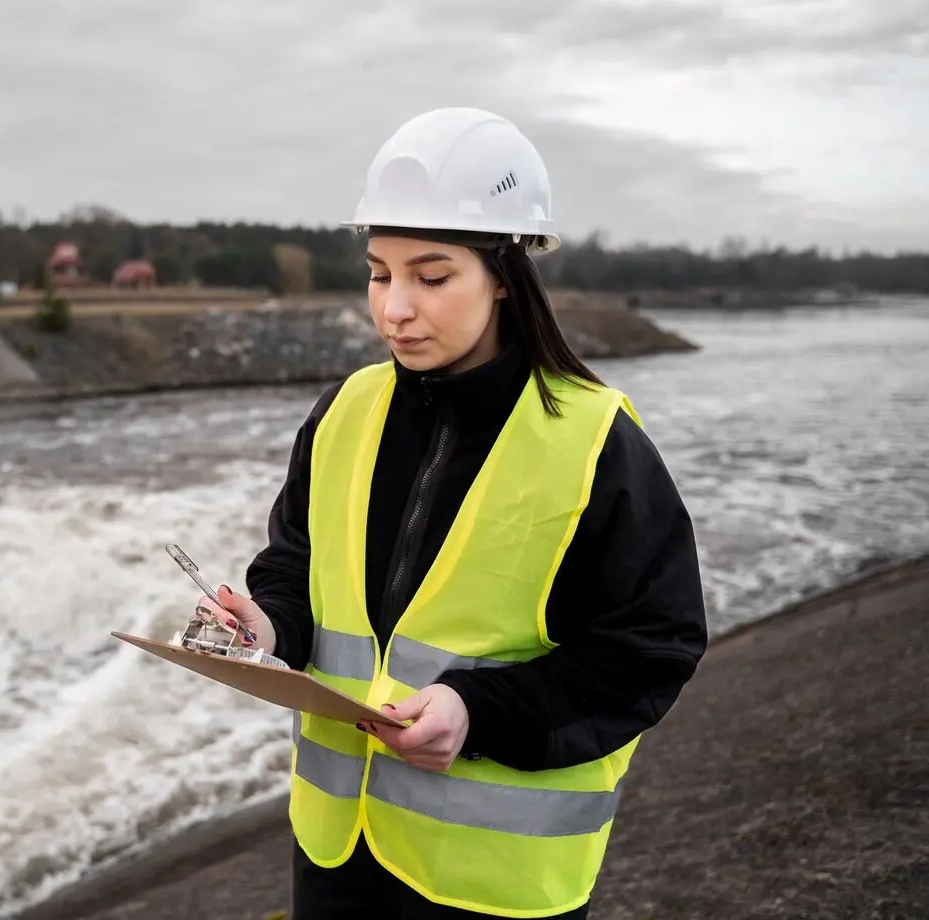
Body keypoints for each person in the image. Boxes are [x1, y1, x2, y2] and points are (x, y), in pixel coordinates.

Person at [197, 108, 709, 919]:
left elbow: (650, 648)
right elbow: (296, 566)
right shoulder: (343, 412)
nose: (394, 309)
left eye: (431, 278)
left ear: (503, 275)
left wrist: (477, 713)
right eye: (379, 274)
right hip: (337, 860)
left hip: (494, 886)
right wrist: (268, 627)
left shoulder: (593, 441)